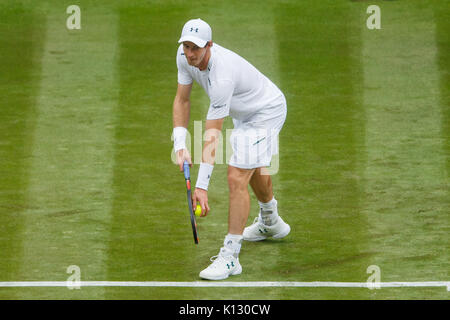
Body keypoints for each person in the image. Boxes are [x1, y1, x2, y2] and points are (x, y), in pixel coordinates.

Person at [172, 18, 290, 280]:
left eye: (196, 48)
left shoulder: (222, 76)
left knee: (236, 175)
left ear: (209, 45)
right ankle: (271, 221)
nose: (190, 53)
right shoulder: (183, 56)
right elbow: (182, 99)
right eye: (186, 46)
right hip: (244, 111)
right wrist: (180, 143)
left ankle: (230, 258)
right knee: (252, 167)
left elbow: (212, 134)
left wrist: (201, 186)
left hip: (265, 112)